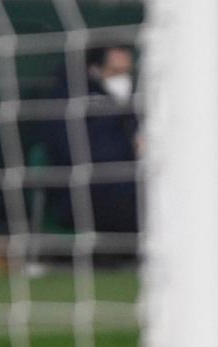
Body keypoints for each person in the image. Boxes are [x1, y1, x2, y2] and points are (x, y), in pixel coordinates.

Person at [41, 45, 139, 237]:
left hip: (128, 186)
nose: (123, 79)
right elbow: (71, 150)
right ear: (95, 68)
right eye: (116, 72)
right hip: (86, 193)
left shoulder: (131, 100)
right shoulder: (68, 98)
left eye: (126, 72)